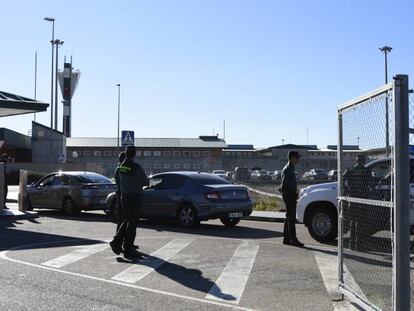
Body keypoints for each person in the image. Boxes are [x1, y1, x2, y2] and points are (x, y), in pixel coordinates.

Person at [110, 145, 149, 259]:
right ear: (135, 154)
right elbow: (146, 182)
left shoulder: (122, 166)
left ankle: (117, 242)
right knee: (132, 224)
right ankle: (128, 249)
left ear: (126, 153)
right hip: (134, 198)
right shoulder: (136, 167)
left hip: (124, 197)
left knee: (127, 220)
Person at [343, 154, 374, 251]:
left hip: (352, 198)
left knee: (353, 221)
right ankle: (359, 245)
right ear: (364, 161)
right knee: (361, 222)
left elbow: (342, 180)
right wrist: (369, 191)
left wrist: (347, 190)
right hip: (363, 198)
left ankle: (352, 245)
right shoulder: (366, 171)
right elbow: (372, 183)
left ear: (356, 161)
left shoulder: (350, 170)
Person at [279, 151, 304, 247]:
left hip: (291, 195)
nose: (298, 159)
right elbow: (284, 184)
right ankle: (293, 240)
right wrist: (291, 195)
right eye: (297, 158)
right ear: (292, 158)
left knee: (288, 217)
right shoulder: (288, 169)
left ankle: (286, 238)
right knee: (291, 218)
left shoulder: (291, 168)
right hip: (289, 195)